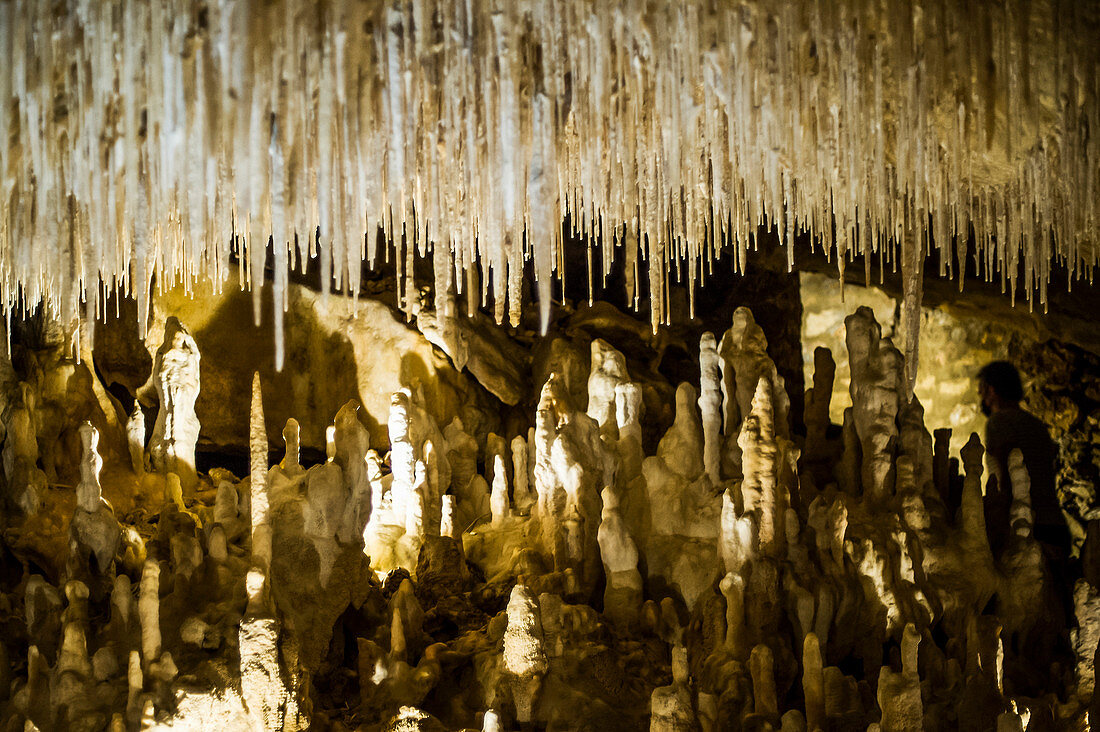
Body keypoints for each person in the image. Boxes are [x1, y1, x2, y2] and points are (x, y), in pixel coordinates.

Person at [976, 360, 1066, 552]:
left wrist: (1002, 518)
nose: (979, 395)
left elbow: (1007, 466)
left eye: (982, 389)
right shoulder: (1036, 424)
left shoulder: (999, 421)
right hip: (1055, 524)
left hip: (1027, 527)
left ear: (992, 390)